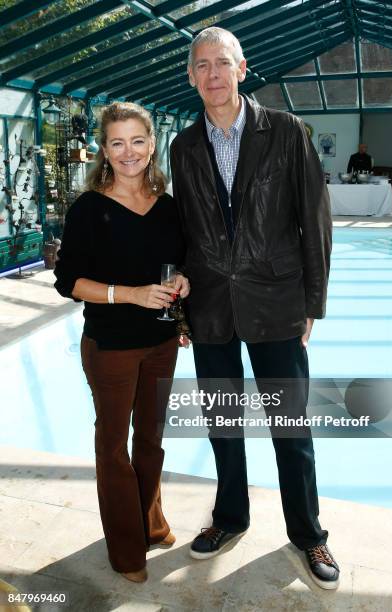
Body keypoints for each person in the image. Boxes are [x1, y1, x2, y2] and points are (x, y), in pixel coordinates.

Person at [170, 27, 340, 590]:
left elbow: (313, 216)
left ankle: (308, 533)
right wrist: (179, 310)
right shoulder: (183, 145)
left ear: (242, 70)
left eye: (222, 63)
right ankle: (230, 517)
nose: (213, 74)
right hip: (212, 305)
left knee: (290, 426)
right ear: (191, 76)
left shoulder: (287, 132)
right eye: (202, 65)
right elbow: (180, 235)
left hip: (276, 299)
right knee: (224, 423)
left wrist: (312, 300)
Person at [54, 102, 190, 583]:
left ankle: (149, 522)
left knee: (151, 438)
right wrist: (128, 294)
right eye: (117, 142)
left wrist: (183, 287)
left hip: (161, 340)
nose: (128, 152)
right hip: (110, 345)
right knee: (114, 446)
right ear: (104, 151)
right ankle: (126, 549)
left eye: (137, 141)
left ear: (152, 145)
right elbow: (69, 281)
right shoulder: (90, 208)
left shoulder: (170, 206)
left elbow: (181, 263)